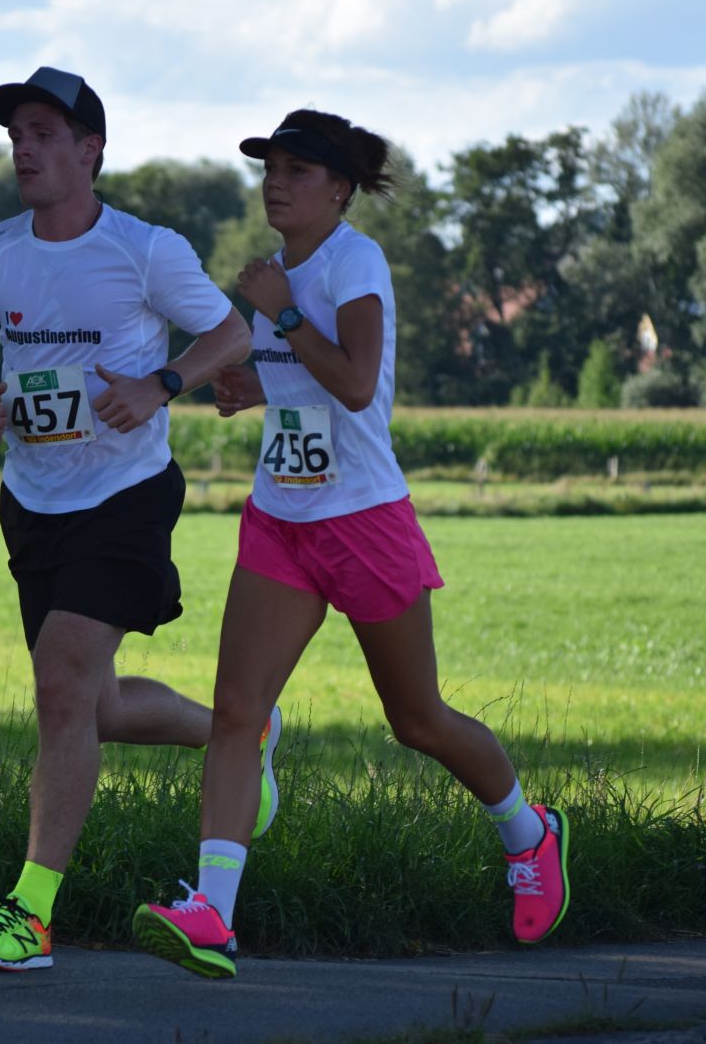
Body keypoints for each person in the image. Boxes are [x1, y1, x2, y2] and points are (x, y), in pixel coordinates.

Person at [131, 109, 571, 979]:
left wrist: (282, 311)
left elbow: (359, 383)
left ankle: (530, 833)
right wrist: (252, 387)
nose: (275, 183)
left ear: (339, 189)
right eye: (270, 168)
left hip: (364, 520)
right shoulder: (280, 276)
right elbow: (307, 381)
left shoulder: (350, 262)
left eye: (296, 171)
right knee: (236, 711)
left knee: (417, 719)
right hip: (280, 518)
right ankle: (212, 912)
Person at [0, 67, 282, 973]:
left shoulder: (145, 249)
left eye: (44, 134)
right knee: (93, 704)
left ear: (90, 150)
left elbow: (232, 334)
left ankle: (30, 915)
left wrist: (162, 382)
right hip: (33, 500)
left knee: (60, 686)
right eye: (17, 135)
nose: (25, 149)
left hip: (126, 496)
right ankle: (241, 731)